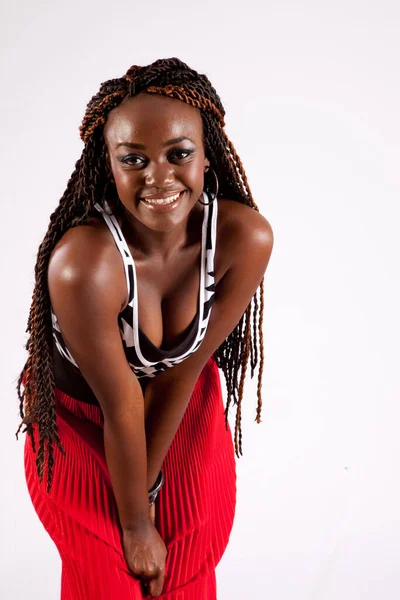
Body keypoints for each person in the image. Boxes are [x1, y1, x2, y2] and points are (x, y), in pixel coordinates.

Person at [16, 57, 274, 599]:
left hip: (179, 408)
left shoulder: (242, 238)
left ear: (208, 156)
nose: (159, 178)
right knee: (110, 582)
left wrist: (153, 499)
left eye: (179, 154)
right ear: (108, 164)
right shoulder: (85, 263)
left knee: (187, 566)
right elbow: (119, 405)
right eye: (134, 159)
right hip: (80, 424)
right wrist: (136, 523)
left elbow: (185, 371)